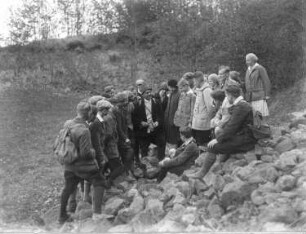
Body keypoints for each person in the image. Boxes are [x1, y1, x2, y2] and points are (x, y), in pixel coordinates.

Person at [191, 85, 257, 179]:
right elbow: (231, 126)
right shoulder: (242, 104)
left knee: (212, 147)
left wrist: (218, 139)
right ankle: (220, 164)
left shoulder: (241, 107)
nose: (226, 98)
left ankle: (201, 174)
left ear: (230, 96)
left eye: (226, 95)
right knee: (219, 141)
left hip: (246, 140)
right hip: (245, 136)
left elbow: (231, 127)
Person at [58, 101, 107, 224]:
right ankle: (97, 214)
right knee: (100, 181)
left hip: (69, 164)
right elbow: (86, 153)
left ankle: (62, 216)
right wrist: (93, 152)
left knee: (68, 187)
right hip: (82, 165)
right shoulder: (84, 130)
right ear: (89, 113)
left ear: (78, 112)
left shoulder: (68, 124)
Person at [132, 85, 166, 160]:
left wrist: (157, 122)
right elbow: (134, 117)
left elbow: (160, 115)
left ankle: (160, 162)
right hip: (144, 131)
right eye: (147, 93)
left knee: (161, 143)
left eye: (150, 92)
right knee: (144, 148)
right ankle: (145, 165)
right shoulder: (138, 104)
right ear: (143, 94)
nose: (149, 94)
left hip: (155, 130)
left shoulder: (156, 102)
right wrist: (141, 122)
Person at [96, 100, 126, 185]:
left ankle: (108, 182)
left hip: (106, 147)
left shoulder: (102, 118)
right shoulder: (106, 119)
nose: (109, 111)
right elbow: (108, 134)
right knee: (119, 167)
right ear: (103, 109)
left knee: (109, 166)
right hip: (109, 147)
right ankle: (107, 182)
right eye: (107, 109)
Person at [109, 92, 135, 179]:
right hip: (120, 137)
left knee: (126, 154)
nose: (126, 103)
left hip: (124, 134)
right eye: (125, 101)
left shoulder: (121, 109)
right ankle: (125, 172)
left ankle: (127, 172)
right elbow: (119, 127)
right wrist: (125, 138)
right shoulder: (116, 111)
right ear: (120, 101)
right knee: (128, 152)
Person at [244, 53, 271, 123]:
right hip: (250, 97)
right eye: (246, 60)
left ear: (253, 60)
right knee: (254, 115)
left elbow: (266, 81)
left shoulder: (260, 68)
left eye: (248, 60)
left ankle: (264, 129)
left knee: (260, 114)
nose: (246, 62)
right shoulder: (248, 70)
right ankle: (257, 130)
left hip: (259, 95)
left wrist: (267, 94)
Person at [191, 71, 214, 148]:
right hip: (197, 125)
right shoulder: (199, 90)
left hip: (203, 127)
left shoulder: (207, 90)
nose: (194, 83)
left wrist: (210, 124)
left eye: (194, 81)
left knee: (202, 147)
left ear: (198, 80)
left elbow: (210, 108)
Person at [164, 79, 181, 149]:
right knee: (169, 140)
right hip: (168, 122)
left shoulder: (179, 94)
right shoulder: (171, 94)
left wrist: (175, 121)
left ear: (171, 86)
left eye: (168, 86)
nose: (168, 88)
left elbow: (179, 109)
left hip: (174, 122)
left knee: (174, 141)